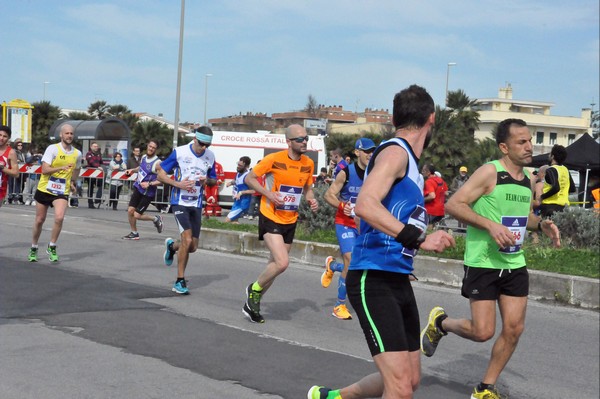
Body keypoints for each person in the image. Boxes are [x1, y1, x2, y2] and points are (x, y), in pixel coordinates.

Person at [308, 85, 455, 399]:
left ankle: (332, 397)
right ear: (432, 118)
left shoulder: (409, 164)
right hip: (372, 279)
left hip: (396, 277)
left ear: (393, 117)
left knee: (410, 380)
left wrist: (402, 251)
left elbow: (374, 215)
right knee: (399, 388)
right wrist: (419, 240)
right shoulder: (394, 152)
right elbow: (365, 205)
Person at [420, 118, 561, 399]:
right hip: (484, 262)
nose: (529, 146)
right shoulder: (489, 173)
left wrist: (540, 225)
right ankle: (441, 323)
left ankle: (485, 388)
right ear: (504, 147)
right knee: (483, 331)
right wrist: (490, 225)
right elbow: (453, 204)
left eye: (530, 140)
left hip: (514, 263)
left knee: (514, 329)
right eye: (521, 142)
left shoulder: (528, 180)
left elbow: (522, 219)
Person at [242, 124, 319, 323]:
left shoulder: (308, 163)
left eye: (306, 138)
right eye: (300, 139)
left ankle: (252, 304)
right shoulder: (274, 160)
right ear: (289, 142)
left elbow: (308, 188)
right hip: (270, 216)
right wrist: (269, 194)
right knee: (282, 263)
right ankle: (254, 289)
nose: (304, 142)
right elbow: (250, 178)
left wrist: (312, 199)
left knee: (273, 266)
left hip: (290, 218)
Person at [158, 127, 217, 295]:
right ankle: (179, 281)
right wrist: (178, 184)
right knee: (187, 239)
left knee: (193, 246)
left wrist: (208, 180)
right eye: (202, 144)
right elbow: (160, 175)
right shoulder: (180, 152)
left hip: (196, 204)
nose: (204, 148)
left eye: (208, 145)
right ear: (195, 140)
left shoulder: (210, 156)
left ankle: (172, 246)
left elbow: (214, 180)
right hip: (180, 202)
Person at [321, 137, 375, 320]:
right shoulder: (346, 173)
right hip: (345, 223)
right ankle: (339, 305)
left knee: (362, 265)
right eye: (366, 151)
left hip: (365, 226)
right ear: (357, 152)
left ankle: (332, 266)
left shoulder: (375, 173)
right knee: (351, 261)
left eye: (372, 151)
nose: (370, 154)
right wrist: (342, 206)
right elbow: (329, 195)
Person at [28, 124, 82, 262]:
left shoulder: (77, 153)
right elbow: (44, 170)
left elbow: (76, 168)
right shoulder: (53, 149)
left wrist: (72, 182)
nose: (69, 136)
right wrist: (61, 167)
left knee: (59, 217)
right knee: (40, 220)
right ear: (61, 135)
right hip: (45, 188)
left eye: (71, 133)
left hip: (61, 190)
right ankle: (34, 247)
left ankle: (52, 246)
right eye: (67, 133)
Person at [122, 140, 164, 240]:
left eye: (153, 148)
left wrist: (149, 184)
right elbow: (140, 168)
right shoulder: (144, 157)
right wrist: (132, 170)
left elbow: (162, 180)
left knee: (136, 215)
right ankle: (134, 233)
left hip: (148, 193)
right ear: (147, 146)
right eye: (150, 146)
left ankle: (155, 218)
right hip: (138, 187)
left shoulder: (157, 163)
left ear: (156, 150)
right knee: (130, 210)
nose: (151, 149)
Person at [539, 144, 575, 218]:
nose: (548, 155)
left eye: (550, 154)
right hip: (564, 207)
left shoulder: (551, 170)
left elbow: (556, 188)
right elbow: (572, 189)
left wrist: (542, 197)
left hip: (550, 206)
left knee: (546, 228)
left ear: (553, 156)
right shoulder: (566, 170)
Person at [224, 156, 253, 223]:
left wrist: (241, 193)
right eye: (238, 164)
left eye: (240, 165)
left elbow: (253, 190)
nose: (238, 166)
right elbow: (236, 181)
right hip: (237, 201)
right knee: (234, 221)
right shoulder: (239, 173)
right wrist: (231, 183)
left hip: (243, 203)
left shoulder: (248, 176)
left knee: (227, 221)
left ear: (246, 166)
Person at [0, 125, 20, 208]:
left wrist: (2, 168)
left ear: (8, 138)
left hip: (1, 189)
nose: (1, 138)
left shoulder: (11, 152)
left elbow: (16, 174)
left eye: (5, 136)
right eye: (0, 135)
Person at [85, 142, 104, 209]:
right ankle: (90, 203)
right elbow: (91, 161)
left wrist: (102, 166)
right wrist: (97, 166)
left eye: (97, 146)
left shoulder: (99, 154)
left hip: (98, 173)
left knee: (101, 185)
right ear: (91, 147)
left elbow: (101, 162)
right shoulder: (89, 154)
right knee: (90, 187)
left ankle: (97, 199)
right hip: (90, 173)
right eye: (94, 146)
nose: (96, 147)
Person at [7, 138, 26, 204]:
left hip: (21, 172)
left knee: (20, 184)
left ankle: (19, 197)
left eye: (21, 145)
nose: (20, 146)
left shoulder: (22, 153)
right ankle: (11, 197)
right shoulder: (13, 152)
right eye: (18, 145)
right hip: (13, 170)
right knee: (13, 184)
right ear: (15, 145)